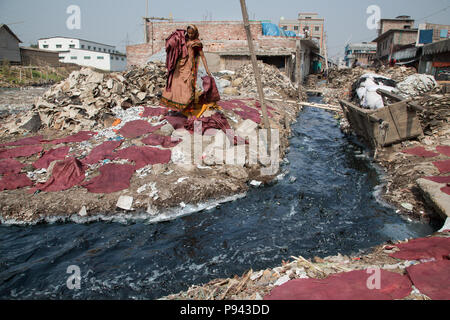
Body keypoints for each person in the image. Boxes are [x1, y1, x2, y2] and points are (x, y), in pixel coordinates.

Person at [160, 25, 215, 117]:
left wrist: (207, 70)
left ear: (195, 33)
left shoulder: (197, 43)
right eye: (188, 33)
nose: (189, 35)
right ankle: (179, 108)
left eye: (191, 33)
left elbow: (203, 57)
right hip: (180, 66)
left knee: (188, 88)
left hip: (189, 68)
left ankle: (189, 110)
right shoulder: (184, 40)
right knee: (176, 87)